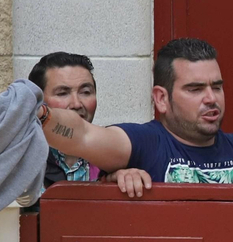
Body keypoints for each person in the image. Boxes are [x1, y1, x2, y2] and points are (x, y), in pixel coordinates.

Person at [35, 37, 233, 193]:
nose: (211, 98)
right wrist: (38, 113)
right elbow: (81, 135)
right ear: (161, 98)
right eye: (195, 89)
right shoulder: (144, 142)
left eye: (216, 87)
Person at [27, 51, 154, 197]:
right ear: (38, 102)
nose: (76, 104)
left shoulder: (113, 155)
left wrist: (124, 179)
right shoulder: (22, 156)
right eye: (62, 93)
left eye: (86, 92)